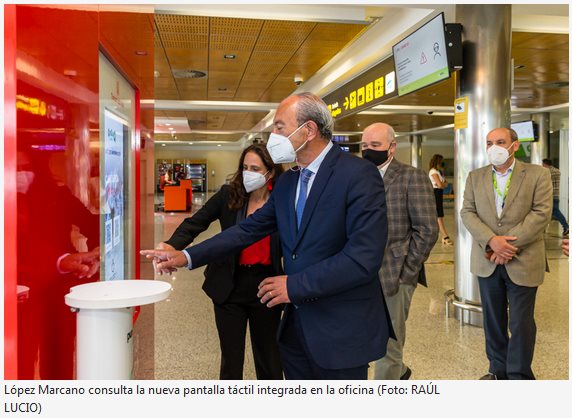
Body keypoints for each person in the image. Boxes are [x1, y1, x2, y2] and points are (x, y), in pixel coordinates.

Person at [142, 92, 394, 380]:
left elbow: (363, 257)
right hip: (297, 329)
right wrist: (185, 255)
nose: (272, 135)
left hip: (339, 328)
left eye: (279, 127)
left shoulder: (358, 174)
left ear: (308, 130)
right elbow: (247, 230)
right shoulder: (288, 182)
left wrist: (295, 286)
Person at [155, 144, 284, 380]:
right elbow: (197, 222)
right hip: (229, 284)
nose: (248, 173)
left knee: (270, 358)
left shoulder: (282, 201)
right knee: (231, 358)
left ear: (271, 172)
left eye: (255, 168)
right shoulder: (229, 194)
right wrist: (171, 245)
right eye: (244, 167)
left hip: (268, 286)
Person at [460, 127, 552, 380]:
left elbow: (541, 213)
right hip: (486, 260)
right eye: (489, 143)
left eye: (500, 142)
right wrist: (491, 241)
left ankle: (519, 375)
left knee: (521, 323)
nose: (494, 147)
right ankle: (497, 370)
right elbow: (467, 212)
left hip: (523, 261)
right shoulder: (475, 177)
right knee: (493, 320)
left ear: (514, 145)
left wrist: (506, 246)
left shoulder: (537, 174)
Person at [361, 122, 439, 380]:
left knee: (389, 344)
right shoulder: (359, 176)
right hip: (361, 273)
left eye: (375, 145)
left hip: (394, 273)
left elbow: (427, 229)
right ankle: (400, 373)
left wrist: (408, 272)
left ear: (392, 147)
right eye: (365, 145)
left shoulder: (411, 177)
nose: (368, 150)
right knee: (367, 337)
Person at [428, 154, 453, 246]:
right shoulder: (433, 171)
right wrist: (443, 184)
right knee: (439, 216)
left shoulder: (438, 172)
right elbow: (440, 185)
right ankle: (445, 236)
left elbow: (445, 184)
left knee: (439, 215)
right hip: (435, 193)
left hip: (438, 193)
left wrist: (443, 184)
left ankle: (443, 236)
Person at [542, 159, 568, 236]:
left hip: (550, 195)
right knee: (548, 212)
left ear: (546, 164)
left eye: (543, 164)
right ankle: (543, 228)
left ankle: (566, 227)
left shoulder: (549, 172)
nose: (542, 166)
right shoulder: (556, 171)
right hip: (555, 195)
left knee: (555, 211)